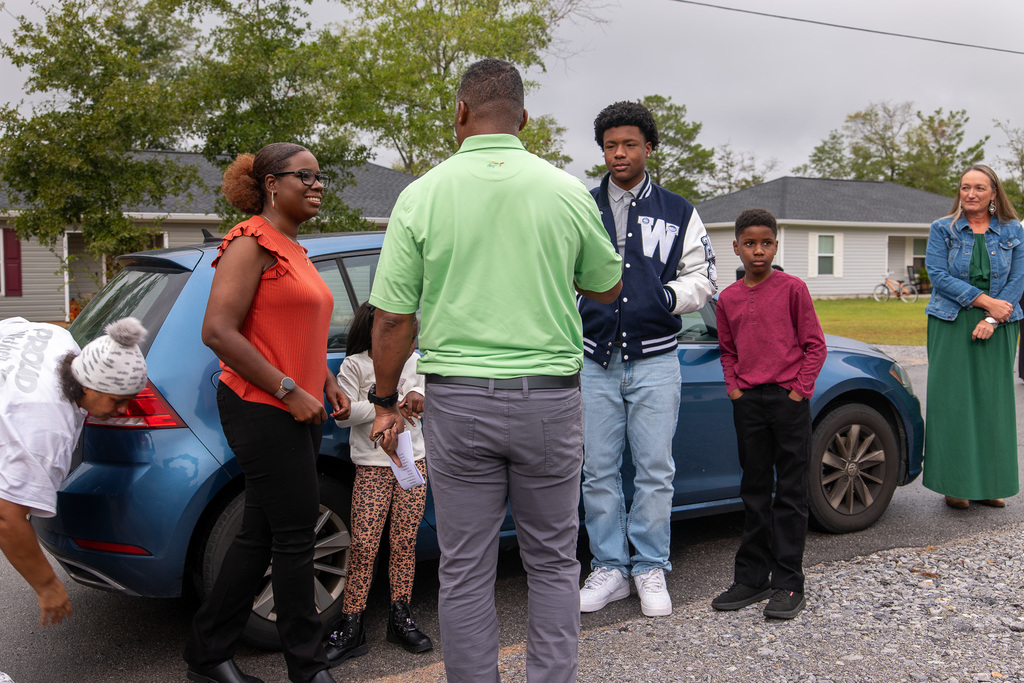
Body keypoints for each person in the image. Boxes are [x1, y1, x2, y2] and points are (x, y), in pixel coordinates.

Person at [366, 59, 622, 683]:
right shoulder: (564, 191)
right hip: (549, 401)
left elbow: (393, 320)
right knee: (555, 563)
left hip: (458, 404)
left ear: (459, 114)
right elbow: (608, 285)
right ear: (524, 119)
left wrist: (384, 398)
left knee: (464, 566)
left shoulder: (421, 194)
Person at [183, 143, 350, 683]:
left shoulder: (295, 248)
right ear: (272, 184)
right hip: (261, 405)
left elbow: (295, 330)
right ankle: (308, 667)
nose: (317, 183)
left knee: (259, 534)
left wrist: (322, 380)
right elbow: (218, 332)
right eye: (306, 175)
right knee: (296, 536)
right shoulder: (249, 241)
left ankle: (208, 657)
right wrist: (287, 389)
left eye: (320, 175)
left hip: (297, 406)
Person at [577, 100, 717, 618]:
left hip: (656, 359)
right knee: (598, 470)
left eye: (629, 144)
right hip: (594, 360)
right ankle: (610, 566)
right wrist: (580, 306)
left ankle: (650, 565)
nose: (619, 153)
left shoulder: (678, 210)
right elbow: (556, 272)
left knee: (656, 468)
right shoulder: (580, 206)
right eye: (611, 145)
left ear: (648, 148)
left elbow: (704, 276)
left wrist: (663, 299)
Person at [709, 208, 826, 620]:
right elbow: (728, 351)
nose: (758, 251)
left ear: (776, 245)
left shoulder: (793, 289)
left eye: (766, 243)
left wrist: (798, 393)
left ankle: (789, 584)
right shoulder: (728, 298)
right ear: (736, 247)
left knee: (790, 494)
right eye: (750, 243)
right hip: (749, 404)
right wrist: (735, 388)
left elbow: (815, 346)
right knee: (754, 491)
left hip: (788, 402)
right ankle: (752, 578)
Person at [0, 316, 147, 627]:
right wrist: (46, 585)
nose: (121, 411)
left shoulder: (58, 339)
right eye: (117, 401)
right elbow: (6, 518)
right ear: (88, 384)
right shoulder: (46, 432)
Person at [324, 302, 432, 663]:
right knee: (365, 544)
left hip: (413, 465)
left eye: (408, 331)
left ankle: (400, 617)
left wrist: (419, 398)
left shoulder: (417, 363)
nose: (404, 338)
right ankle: (352, 622)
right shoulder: (355, 365)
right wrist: (391, 406)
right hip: (372, 466)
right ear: (374, 331)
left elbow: (429, 397)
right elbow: (342, 416)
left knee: (405, 542)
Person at [923, 164, 1024, 510]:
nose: (971, 194)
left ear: (994, 194)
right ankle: (955, 484)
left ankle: (989, 484)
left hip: (1001, 322)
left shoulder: (1013, 230)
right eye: (966, 187)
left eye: (980, 188)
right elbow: (936, 273)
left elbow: (1019, 279)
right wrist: (984, 303)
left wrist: (993, 318)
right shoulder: (942, 229)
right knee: (953, 404)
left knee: (992, 405)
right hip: (951, 322)